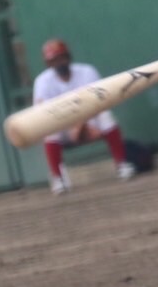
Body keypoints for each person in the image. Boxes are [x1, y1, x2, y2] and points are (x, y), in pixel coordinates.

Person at [32, 38, 136, 194]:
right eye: (54, 60)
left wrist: (80, 126)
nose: (59, 63)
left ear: (68, 57)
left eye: (61, 58)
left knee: (105, 115)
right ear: (49, 64)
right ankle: (58, 178)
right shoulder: (42, 81)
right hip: (63, 128)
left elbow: (100, 101)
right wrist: (72, 126)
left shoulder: (87, 71)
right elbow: (44, 114)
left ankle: (121, 164)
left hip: (90, 122)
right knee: (49, 131)